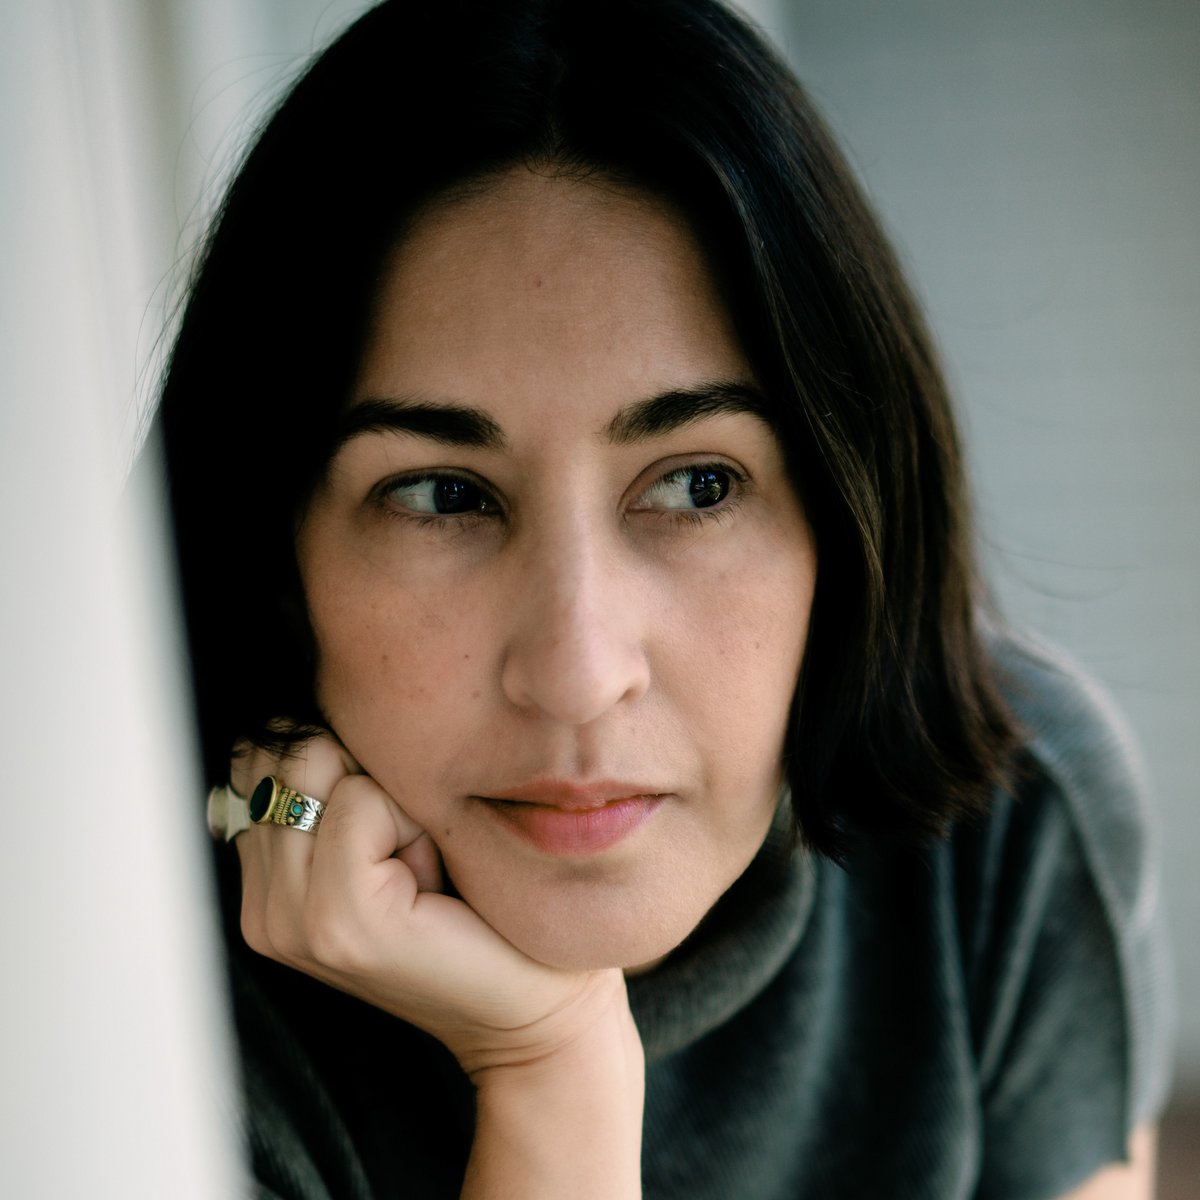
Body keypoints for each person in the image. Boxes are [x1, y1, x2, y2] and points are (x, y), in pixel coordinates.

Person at [158, 0, 1173, 1196]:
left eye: (698, 485)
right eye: (443, 495)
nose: (581, 672)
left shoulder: (1008, 821)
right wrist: (550, 1072)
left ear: (845, 516)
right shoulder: (134, 977)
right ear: (276, 555)